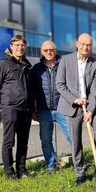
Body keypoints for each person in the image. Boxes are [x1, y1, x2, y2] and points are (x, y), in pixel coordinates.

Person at [56, 33, 96, 186]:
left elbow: (95, 91)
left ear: (91, 47)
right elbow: (60, 84)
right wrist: (74, 99)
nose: (85, 47)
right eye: (82, 44)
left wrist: (90, 110)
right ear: (77, 44)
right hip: (72, 106)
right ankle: (80, 173)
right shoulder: (65, 60)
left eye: (88, 45)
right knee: (76, 140)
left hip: (90, 105)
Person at [0, 35, 33, 179]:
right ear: (11, 46)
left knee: (23, 142)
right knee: (9, 142)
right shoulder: (3, 64)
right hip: (10, 109)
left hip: (25, 110)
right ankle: (10, 172)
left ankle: (21, 170)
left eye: (22, 45)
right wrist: (3, 105)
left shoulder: (27, 66)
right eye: (17, 45)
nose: (20, 48)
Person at [31, 40, 71, 174]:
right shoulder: (36, 69)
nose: (49, 52)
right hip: (44, 110)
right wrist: (33, 109)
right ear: (42, 52)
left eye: (51, 50)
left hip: (63, 108)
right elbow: (33, 91)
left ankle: (79, 163)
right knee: (46, 140)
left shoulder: (64, 65)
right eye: (46, 50)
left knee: (72, 136)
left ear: (56, 51)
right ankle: (51, 166)